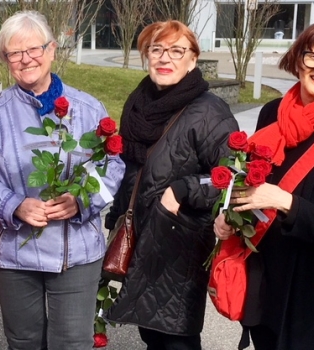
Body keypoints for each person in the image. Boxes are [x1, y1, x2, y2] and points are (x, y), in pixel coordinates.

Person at [0, 11, 125, 350]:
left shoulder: (89, 109)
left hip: (75, 249)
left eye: (33, 48)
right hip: (13, 252)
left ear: (50, 50)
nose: (26, 59)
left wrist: (81, 200)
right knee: (24, 341)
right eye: (14, 53)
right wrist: (13, 204)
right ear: (5, 60)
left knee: (73, 342)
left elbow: (112, 167)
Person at [212, 21, 314, 350]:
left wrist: (285, 201)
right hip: (266, 281)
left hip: (313, 300)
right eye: (313, 56)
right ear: (298, 59)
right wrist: (228, 216)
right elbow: (250, 182)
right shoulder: (273, 112)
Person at [103, 20, 237, 350]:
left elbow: (234, 175)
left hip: (180, 241)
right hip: (142, 234)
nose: (166, 58)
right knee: (151, 332)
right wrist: (114, 220)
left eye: (177, 50)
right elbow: (130, 170)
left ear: (193, 59)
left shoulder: (209, 111)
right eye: (156, 49)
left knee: (176, 336)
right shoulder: (138, 104)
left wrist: (182, 189)